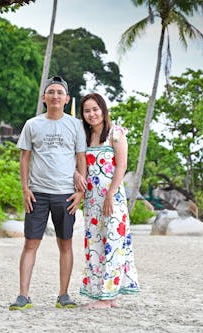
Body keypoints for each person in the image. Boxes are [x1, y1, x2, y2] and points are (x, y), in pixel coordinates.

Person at [9, 76, 87, 310]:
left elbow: (81, 158)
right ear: (44, 98)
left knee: (65, 244)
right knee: (30, 244)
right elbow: (25, 158)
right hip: (38, 194)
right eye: (51, 92)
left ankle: (63, 295)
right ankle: (23, 295)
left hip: (65, 195)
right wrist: (25, 189)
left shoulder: (75, 125)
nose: (55, 96)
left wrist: (80, 193)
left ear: (66, 99)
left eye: (59, 93)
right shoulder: (33, 124)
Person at [78, 93, 140, 309]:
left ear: (103, 110)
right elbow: (81, 168)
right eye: (87, 111)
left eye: (95, 109)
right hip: (91, 200)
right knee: (95, 243)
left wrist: (110, 194)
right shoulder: (84, 138)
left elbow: (121, 167)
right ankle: (101, 294)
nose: (91, 114)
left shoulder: (116, 133)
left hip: (112, 198)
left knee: (113, 243)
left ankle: (109, 296)